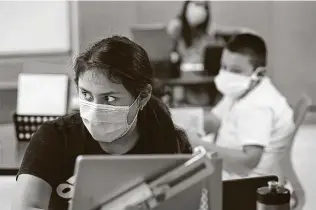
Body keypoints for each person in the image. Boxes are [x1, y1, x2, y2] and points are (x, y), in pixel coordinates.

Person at [13, 36, 192, 210]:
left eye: (109, 98)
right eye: (86, 95)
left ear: (143, 96)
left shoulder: (169, 144)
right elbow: (26, 206)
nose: (95, 109)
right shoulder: (54, 137)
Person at [194, 33, 295, 181]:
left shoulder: (257, 106)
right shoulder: (242, 89)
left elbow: (247, 163)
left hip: (244, 185)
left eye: (235, 70)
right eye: (224, 66)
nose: (227, 74)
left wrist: (197, 145)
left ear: (259, 73)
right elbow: (214, 121)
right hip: (229, 171)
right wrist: (171, 121)